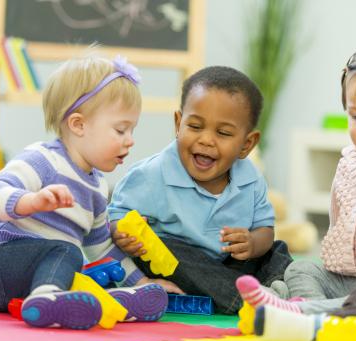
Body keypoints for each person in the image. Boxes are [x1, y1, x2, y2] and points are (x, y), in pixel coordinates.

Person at [0, 53, 181, 329]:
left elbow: (103, 249)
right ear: (79, 124)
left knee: (82, 266)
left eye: (132, 130)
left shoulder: (96, 188)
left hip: (29, 279)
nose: (130, 141)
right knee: (68, 253)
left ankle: (114, 300)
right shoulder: (43, 160)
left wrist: (144, 282)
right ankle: (49, 297)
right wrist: (30, 201)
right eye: (121, 130)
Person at [237, 41, 356, 316]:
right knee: (301, 267)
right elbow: (338, 219)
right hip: (343, 277)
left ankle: (297, 310)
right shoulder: (350, 162)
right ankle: (305, 308)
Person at [107, 66, 293, 314]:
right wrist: (121, 232)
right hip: (180, 267)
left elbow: (265, 230)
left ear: (246, 145)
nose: (206, 140)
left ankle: (287, 292)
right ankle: (249, 301)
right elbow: (115, 218)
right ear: (178, 123)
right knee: (166, 248)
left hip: (229, 266)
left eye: (223, 133)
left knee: (276, 250)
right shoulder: (151, 175)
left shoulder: (251, 179)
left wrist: (251, 242)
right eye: (195, 127)